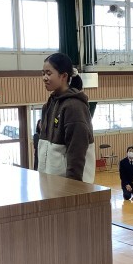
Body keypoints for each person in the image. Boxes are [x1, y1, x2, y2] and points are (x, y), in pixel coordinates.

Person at [38, 53, 95, 182]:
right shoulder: (49, 105)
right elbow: (43, 147)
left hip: (69, 185)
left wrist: (73, 186)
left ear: (64, 76)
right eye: (43, 73)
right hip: (50, 183)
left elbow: (77, 150)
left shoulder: (74, 107)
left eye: (49, 73)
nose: (44, 78)